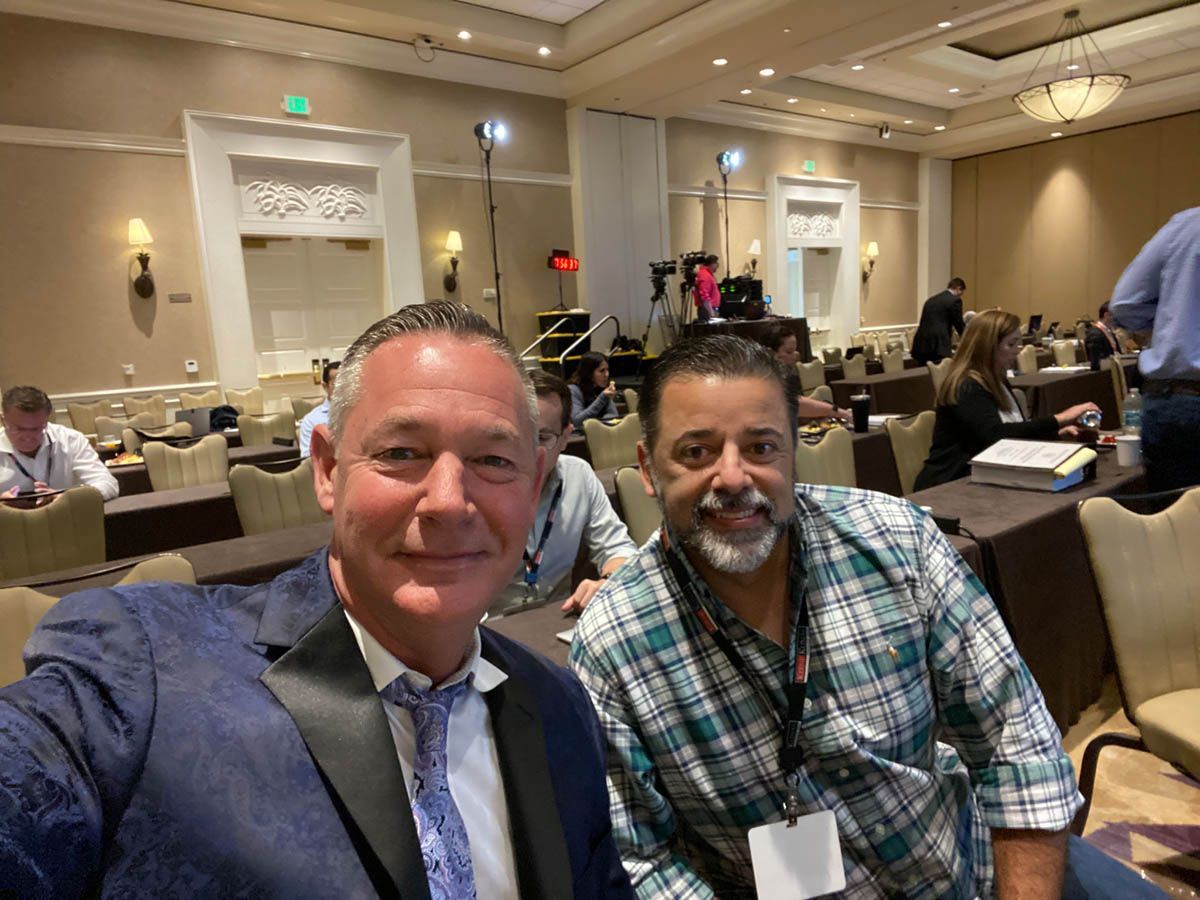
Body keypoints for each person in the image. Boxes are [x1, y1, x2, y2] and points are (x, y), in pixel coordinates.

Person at [0, 302, 633, 899]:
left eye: (493, 459)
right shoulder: (141, 668)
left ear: (533, 483)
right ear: (328, 470)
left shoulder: (559, 706)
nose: (448, 501)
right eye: (402, 453)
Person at [569, 334, 1161, 900]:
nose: (732, 477)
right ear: (647, 468)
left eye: (761, 447)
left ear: (793, 454)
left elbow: (1016, 741)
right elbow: (641, 861)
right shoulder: (614, 642)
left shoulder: (897, 541)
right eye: (696, 451)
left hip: (965, 863)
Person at [491, 370, 638, 616]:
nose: (527, 451)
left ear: (565, 438)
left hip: (558, 617)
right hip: (488, 625)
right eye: (515, 436)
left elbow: (619, 549)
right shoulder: (476, 484)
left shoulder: (578, 475)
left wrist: (607, 581)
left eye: (542, 438)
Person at [914, 309, 1099, 490]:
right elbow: (995, 436)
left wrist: (1055, 435)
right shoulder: (966, 385)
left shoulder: (996, 379)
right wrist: (1059, 419)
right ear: (987, 348)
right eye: (1011, 344)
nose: (1017, 351)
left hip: (982, 478)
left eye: (1018, 343)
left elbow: (1012, 432)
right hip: (949, 483)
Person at [1110, 207, 1200, 491]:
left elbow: (1124, 303)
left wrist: (1172, 321)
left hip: (1177, 400)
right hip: (1179, 405)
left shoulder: (1187, 225)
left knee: (1173, 515)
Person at [1, 385, 118, 501]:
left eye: (36, 429)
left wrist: (66, 499)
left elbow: (108, 484)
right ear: (3, 420)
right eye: (18, 429)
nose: (28, 437)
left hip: (67, 512)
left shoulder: (70, 439)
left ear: (46, 420)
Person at [760, 327, 850, 422]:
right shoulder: (761, 379)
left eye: (795, 350)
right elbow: (795, 405)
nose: (795, 356)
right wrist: (841, 413)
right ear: (770, 353)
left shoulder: (783, 376)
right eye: (789, 352)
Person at [911, 277, 967, 364]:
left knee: (924, 370)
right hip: (938, 345)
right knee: (940, 370)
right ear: (958, 288)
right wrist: (967, 338)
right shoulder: (955, 300)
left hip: (921, 344)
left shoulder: (931, 300)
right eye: (961, 293)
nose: (960, 296)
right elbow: (958, 323)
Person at [297, 360, 340, 457]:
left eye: (346, 383)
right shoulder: (312, 421)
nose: (343, 388)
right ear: (325, 386)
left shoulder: (361, 413)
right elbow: (308, 459)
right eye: (338, 384)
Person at [569, 351, 618, 427]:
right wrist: (602, 398)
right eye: (602, 371)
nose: (607, 374)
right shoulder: (573, 389)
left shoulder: (602, 387)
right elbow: (577, 421)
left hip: (600, 431)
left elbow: (613, 415)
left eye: (607, 370)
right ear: (589, 373)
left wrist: (601, 425)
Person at [1084, 302, 1119, 370]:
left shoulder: (1109, 331)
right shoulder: (1095, 334)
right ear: (1106, 315)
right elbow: (1097, 361)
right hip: (1104, 371)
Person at [693, 254, 720, 321]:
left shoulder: (706, 274)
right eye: (716, 263)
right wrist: (711, 313)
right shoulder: (705, 275)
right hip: (707, 310)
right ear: (712, 263)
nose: (717, 266)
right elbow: (704, 296)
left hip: (709, 309)